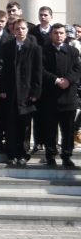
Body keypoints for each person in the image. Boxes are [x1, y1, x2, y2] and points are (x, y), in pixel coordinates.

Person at [0, 18, 42, 167]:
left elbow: (37, 72)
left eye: (23, 28)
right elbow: (1, 69)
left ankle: (23, 153)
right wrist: (1, 89)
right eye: (17, 29)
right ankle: (11, 154)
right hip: (10, 93)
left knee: (25, 126)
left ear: (27, 30)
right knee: (10, 125)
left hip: (27, 93)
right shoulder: (7, 46)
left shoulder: (34, 48)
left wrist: (35, 92)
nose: (20, 31)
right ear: (13, 30)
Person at [39, 23, 81, 168]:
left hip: (68, 96)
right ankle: (50, 156)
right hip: (50, 97)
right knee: (50, 129)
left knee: (68, 130)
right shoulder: (43, 51)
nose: (59, 35)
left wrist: (68, 80)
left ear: (65, 34)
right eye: (56, 33)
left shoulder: (73, 51)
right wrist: (56, 80)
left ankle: (66, 156)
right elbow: (41, 70)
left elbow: (77, 69)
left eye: (61, 33)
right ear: (51, 34)